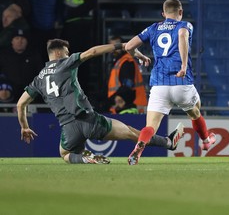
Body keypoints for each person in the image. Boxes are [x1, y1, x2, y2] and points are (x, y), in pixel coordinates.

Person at [16, 38, 184, 164]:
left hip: (68, 127)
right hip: (90, 120)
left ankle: (84, 158)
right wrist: (122, 46)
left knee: (65, 154)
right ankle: (168, 142)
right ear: (59, 53)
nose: (68, 54)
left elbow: (20, 104)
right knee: (132, 133)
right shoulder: (65, 63)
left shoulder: (38, 79)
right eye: (67, 52)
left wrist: (24, 127)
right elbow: (92, 52)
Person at [124, 0, 216, 165]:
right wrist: (183, 65)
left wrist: (142, 56)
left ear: (163, 14)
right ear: (180, 12)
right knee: (195, 111)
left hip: (159, 85)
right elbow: (182, 35)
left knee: (150, 127)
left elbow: (129, 46)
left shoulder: (153, 28)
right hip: (181, 82)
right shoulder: (185, 25)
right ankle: (205, 140)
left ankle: (139, 147)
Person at [107, 35, 148, 113]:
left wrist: (117, 98)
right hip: (125, 106)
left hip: (129, 107)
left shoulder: (127, 62)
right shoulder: (120, 61)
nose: (113, 50)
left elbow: (127, 85)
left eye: (115, 47)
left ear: (123, 47)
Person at [0, 28, 42, 100]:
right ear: (12, 41)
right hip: (10, 88)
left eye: (23, 39)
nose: (20, 41)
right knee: (3, 92)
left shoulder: (34, 55)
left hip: (30, 89)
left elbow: (40, 73)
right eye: (17, 38)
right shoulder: (4, 55)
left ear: (27, 41)